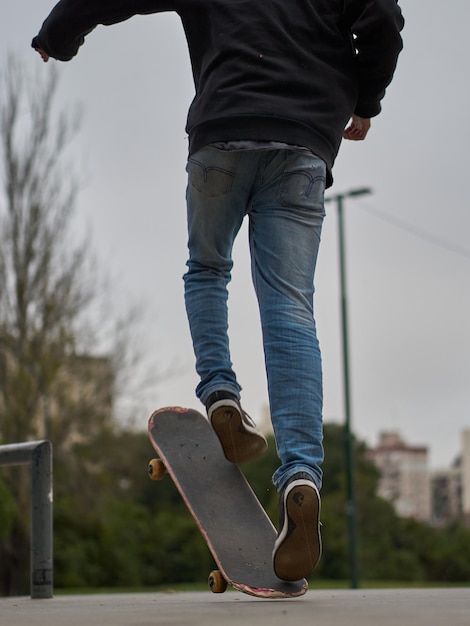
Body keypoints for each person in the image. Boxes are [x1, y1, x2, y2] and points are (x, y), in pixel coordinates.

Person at [32, 0, 404, 582]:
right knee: (290, 307)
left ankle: (221, 394)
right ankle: (301, 476)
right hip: (304, 141)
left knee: (208, 269)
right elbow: (382, 17)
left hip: (223, 130)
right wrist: (364, 99)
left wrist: (60, 32)